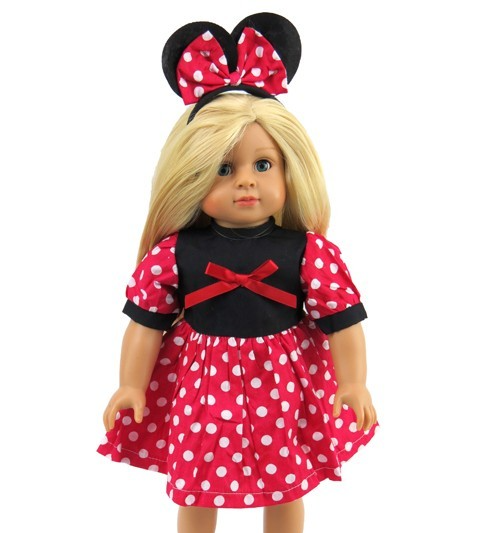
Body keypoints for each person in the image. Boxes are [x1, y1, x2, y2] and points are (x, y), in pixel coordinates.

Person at [97, 13, 378, 533]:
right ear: (191, 176)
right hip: (202, 383)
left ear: (291, 169)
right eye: (223, 169)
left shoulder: (308, 252)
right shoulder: (176, 253)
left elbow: (343, 321)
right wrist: (130, 385)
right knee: (197, 481)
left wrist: (354, 382)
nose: (246, 182)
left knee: (287, 480)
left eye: (262, 165)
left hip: (282, 382)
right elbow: (145, 325)